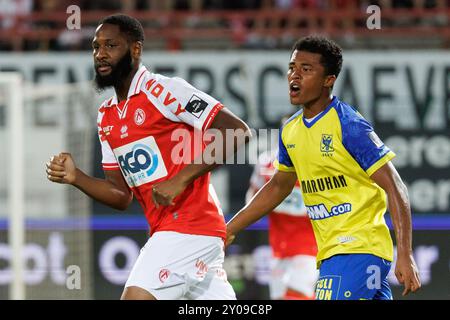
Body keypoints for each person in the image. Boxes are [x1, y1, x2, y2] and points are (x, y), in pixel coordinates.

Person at [46, 14, 251, 300]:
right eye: (96, 47)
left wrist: (180, 180)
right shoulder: (106, 116)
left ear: (136, 50)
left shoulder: (164, 90)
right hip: (187, 235)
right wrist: (76, 177)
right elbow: (120, 194)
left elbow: (236, 131)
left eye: (111, 45)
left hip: (187, 226)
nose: (101, 54)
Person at [226, 36, 421, 300]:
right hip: (331, 252)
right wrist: (230, 228)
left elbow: (396, 187)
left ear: (328, 80)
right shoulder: (290, 131)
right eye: (292, 67)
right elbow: (278, 187)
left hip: (357, 250)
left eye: (306, 70)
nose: (294, 75)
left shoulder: (349, 125)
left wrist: (406, 254)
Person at [246, 122, 318, 300]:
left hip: (310, 248)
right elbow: (252, 199)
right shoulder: (266, 163)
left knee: (296, 295)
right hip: (278, 249)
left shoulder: (318, 165)